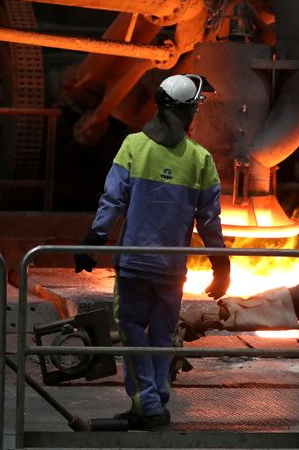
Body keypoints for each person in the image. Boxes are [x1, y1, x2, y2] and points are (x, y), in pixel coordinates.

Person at [74, 73, 230, 429]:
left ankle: (146, 403)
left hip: (133, 267)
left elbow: (112, 201)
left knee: (130, 329)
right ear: (187, 111)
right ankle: (155, 400)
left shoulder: (133, 146)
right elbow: (210, 222)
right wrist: (221, 267)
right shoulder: (200, 159)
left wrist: (92, 242)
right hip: (172, 270)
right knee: (162, 335)